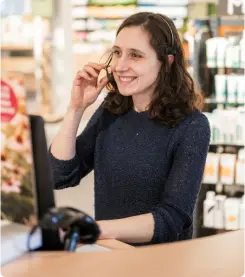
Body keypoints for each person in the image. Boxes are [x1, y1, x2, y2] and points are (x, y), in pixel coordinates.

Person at [49, 12, 210, 246]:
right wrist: (76, 109)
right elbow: (59, 175)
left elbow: (171, 220)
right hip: (113, 255)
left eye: (135, 55)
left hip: (164, 264)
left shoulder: (192, 126)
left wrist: (94, 228)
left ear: (167, 61)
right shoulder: (111, 111)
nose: (120, 66)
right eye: (117, 53)